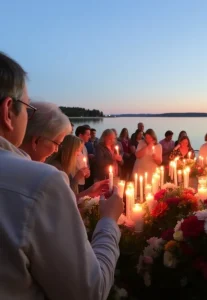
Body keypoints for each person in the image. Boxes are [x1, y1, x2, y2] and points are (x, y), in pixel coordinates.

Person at [0, 52, 123, 299]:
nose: (28, 116)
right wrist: (109, 221)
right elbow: (89, 291)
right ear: (7, 112)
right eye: (27, 107)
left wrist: (85, 192)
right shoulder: (40, 182)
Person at [75, 125, 91, 191]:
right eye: (87, 135)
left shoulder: (84, 148)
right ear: (81, 135)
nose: (89, 137)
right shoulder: (74, 148)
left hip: (82, 181)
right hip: (75, 181)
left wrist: (88, 171)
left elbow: (86, 163)